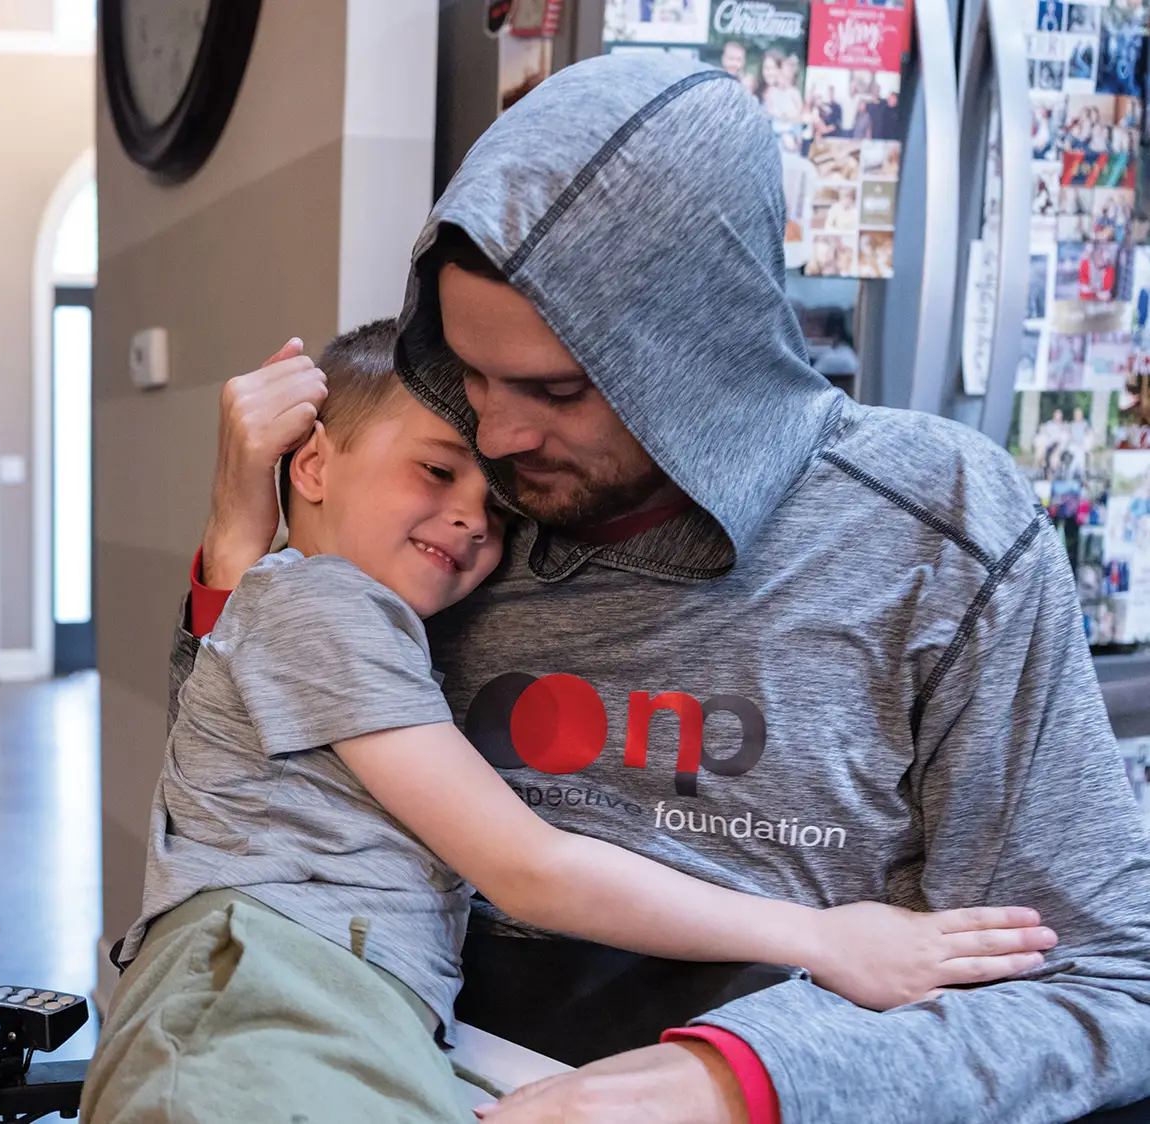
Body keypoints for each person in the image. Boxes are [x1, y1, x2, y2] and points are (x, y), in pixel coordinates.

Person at [180, 53, 1150, 1123]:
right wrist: (235, 545)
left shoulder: (941, 528)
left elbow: (1108, 986)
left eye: (553, 389)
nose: (495, 436)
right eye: (472, 372)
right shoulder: (446, 527)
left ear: (699, 358)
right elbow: (250, 785)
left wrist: (741, 1081)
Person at [83, 324, 1052, 1124]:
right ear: (315, 464)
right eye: (435, 470)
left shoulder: (319, 606)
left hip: (349, 1003)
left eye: (494, 505)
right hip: (269, 1006)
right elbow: (526, 868)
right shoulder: (322, 605)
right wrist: (831, 937)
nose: (472, 518)